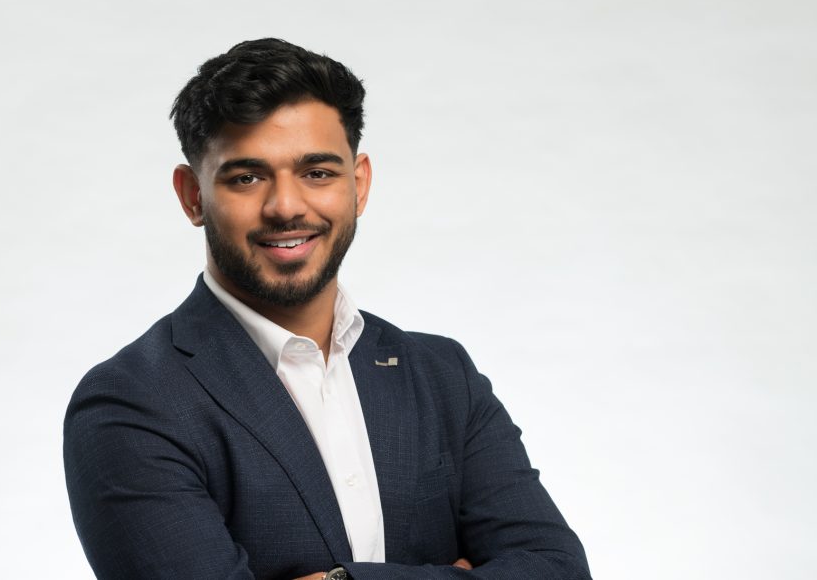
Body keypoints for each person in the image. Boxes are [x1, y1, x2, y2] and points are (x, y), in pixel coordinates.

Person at [63, 39, 591, 579]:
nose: (286, 206)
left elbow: (560, 571)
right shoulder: (132, 405)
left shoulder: (441, 376)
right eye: (247, 177)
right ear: (192, 195)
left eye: (317, 172)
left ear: (358, 184)